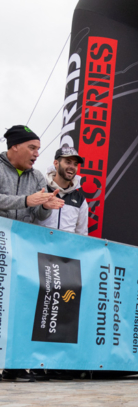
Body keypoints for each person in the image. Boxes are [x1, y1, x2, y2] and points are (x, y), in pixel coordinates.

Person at [1, 125, 64, 382]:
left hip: (23, 250)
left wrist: (46, 206)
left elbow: (38, 213)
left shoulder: (37, 176)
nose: (37, 153)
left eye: (38, 148)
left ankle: (14, 367)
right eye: (32, 148)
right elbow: (22, 201)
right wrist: (26, 201)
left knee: (21, 307)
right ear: (14, 146)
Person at [37, 145, 88, 234]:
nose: (72, 167)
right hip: (39, 246)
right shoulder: (41, 190)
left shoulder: (80, 199)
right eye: (68, 162)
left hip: (66, 248)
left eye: (75, 164)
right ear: (56, 163)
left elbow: (82, 235)